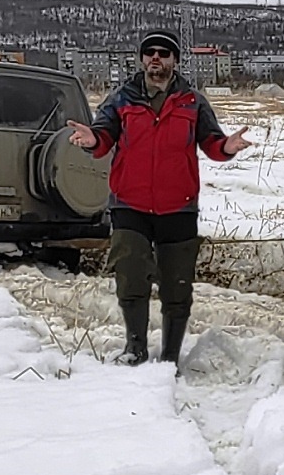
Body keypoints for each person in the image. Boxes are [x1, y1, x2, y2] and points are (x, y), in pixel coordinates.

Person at [67, 31, 254, 365]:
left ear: (174, 60)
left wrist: (226, 147)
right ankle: (135, 348)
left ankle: (169, 357)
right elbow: (104, 138)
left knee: (177, 288)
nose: (156, 58)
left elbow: (212, 142)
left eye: (164, 53)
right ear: (142, 59)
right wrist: (92, 139)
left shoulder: (192, 102)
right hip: (130, 204)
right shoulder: (122, 98)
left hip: (178, 205)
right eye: (150, 52)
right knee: (131, 275)